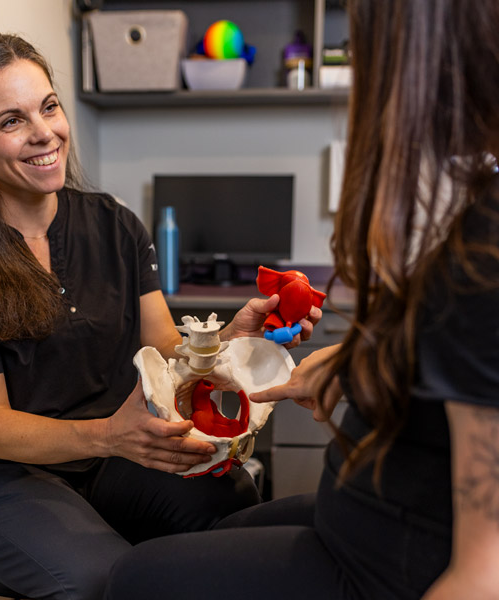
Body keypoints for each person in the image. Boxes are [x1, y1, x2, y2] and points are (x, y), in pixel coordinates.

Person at [104, 1, 499, 599]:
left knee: (133, 581)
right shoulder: (472, 225)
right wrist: (354, 362)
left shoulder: (483, 258)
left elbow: (483, 570)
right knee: (221, 527)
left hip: (383, 560)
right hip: (358, 510)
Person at [0, 33, 321, 600]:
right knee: (109, 584)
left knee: (234, 516)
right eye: (11, 121)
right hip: (8, 474)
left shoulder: (114, 224)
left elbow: (164, 347)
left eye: (49, 107)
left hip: (115, 457)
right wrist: (108, 436)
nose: (43, 133)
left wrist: (230, 338)